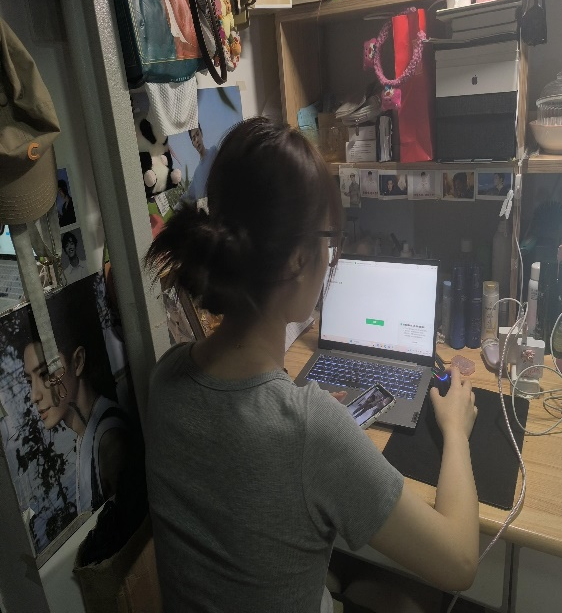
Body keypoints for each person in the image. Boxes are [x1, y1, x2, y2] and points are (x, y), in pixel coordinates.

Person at [144, 117, 478, 613]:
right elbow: (460, 562)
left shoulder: (165, 376)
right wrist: (455, 431)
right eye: (329, 239)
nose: (331, 256)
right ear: (299, 260)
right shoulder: (309, 430)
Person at [22, 282, 130, 513]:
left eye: (46, 373)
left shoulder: (110, 444)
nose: (34, 396)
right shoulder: (87, 437)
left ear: (78, 361)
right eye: (29, 381)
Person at [178, 123, 219, 208]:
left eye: (197, 134)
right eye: (193, 138)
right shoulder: (197, 174)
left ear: (201, 134)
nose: (196, 140)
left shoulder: (213, 151)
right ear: (193, 144)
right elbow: (188, 196)